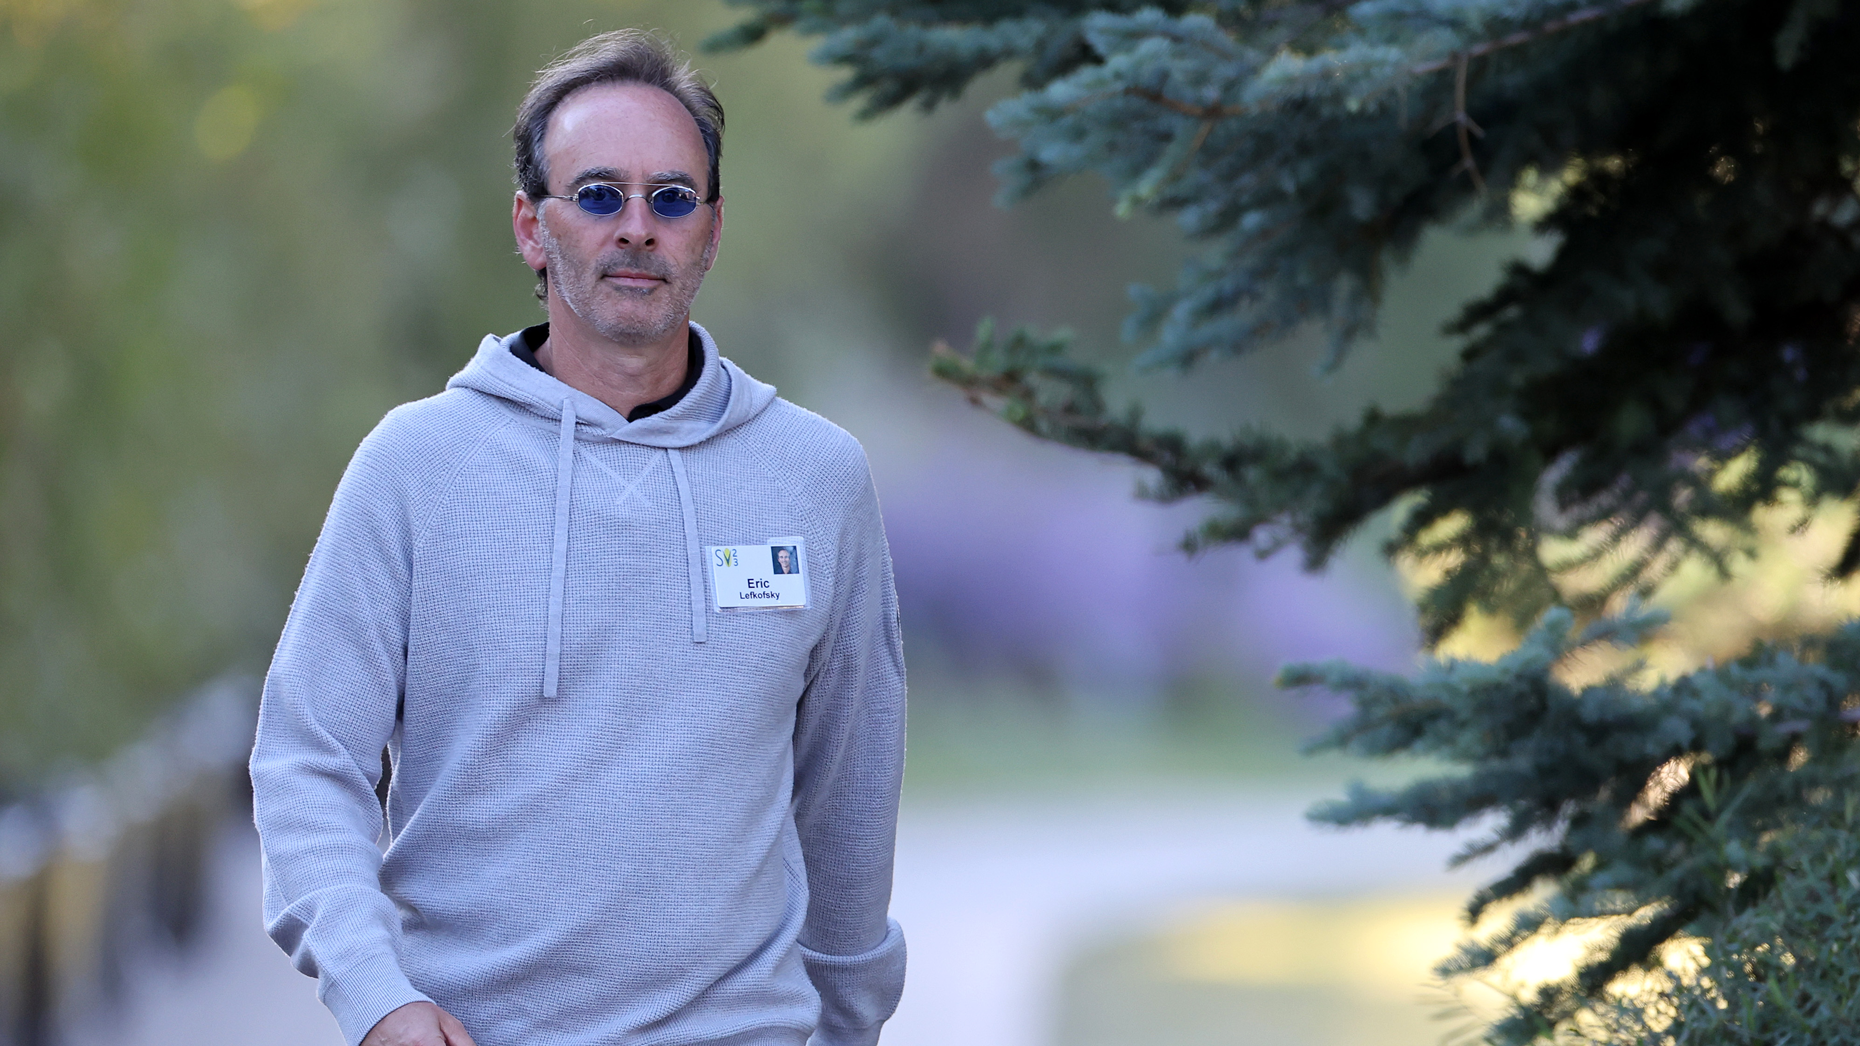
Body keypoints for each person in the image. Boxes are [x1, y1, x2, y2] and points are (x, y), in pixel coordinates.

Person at [249, 30, 907, 1046]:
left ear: (712, 229)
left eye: (671, 198)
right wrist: (377, 994)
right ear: (530, 224)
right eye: (599, 194)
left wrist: (851, 1025)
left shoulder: (817, 481)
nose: (638, 227)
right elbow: (306, 756)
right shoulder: (415, 466)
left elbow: (851, 803)